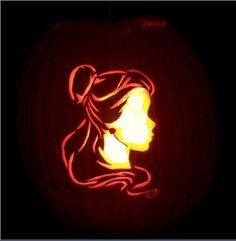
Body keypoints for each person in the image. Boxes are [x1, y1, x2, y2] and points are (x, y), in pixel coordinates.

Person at [62, 64, 158, 198]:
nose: (152, 123)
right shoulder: (96, 186)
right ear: (108, 121)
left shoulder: (140, 177)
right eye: (138, 113)